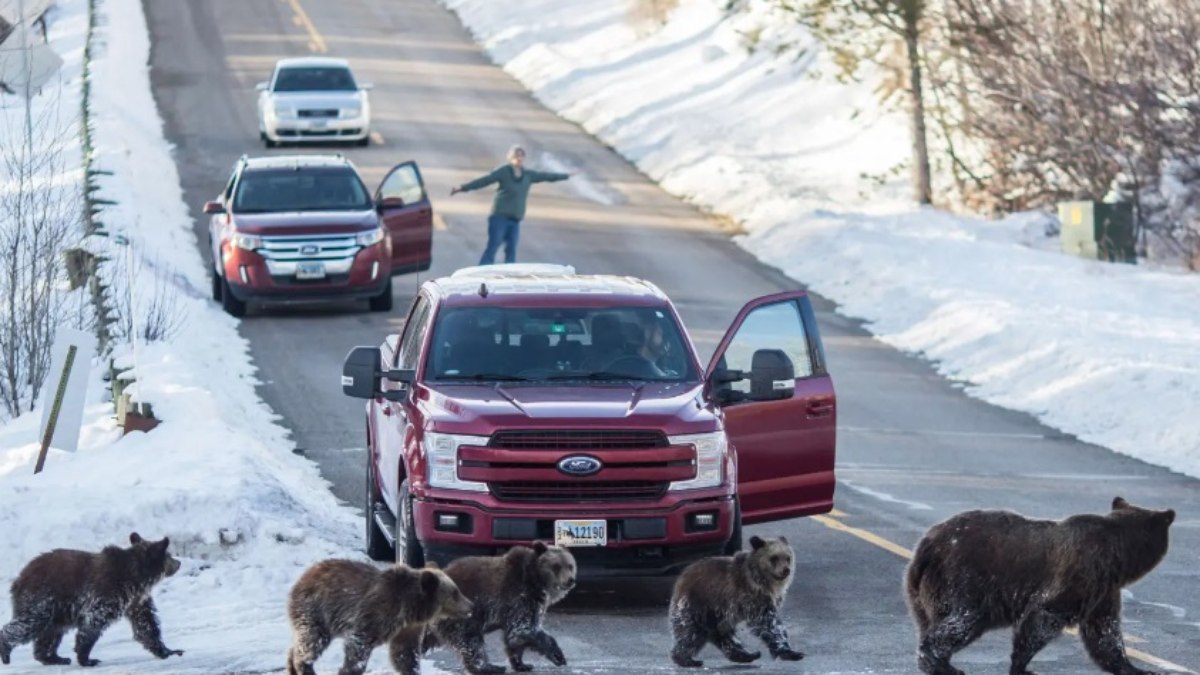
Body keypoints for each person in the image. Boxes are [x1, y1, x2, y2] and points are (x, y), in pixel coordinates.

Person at [450, 145, 571, 265]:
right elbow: (484, 180)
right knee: (493, 247)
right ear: (510, 157)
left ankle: (509, 278)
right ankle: (481, 274)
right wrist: (462, 188)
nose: (518, 158)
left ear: (524, 158)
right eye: (515, 156)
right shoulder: (503, 171)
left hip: (515, 219)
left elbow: (546, 176)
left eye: (521, 156)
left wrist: (566, 176)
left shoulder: (528, 175)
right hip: (499, 217)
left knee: (511, 251)